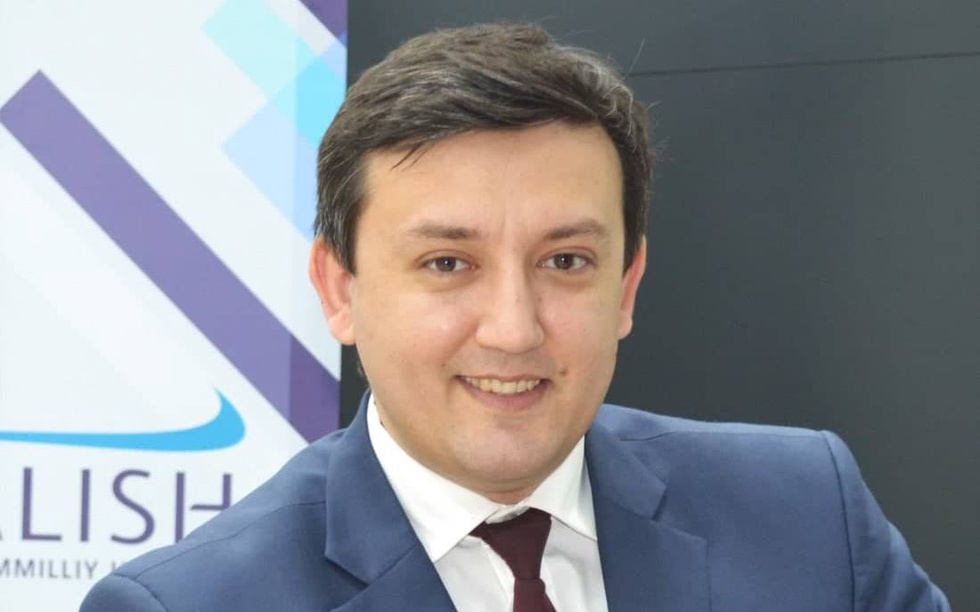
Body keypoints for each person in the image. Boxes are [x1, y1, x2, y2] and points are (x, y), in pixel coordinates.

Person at [80, 22, 949, 612]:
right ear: (340, 290)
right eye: (447, 264)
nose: (513, 329)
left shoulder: (810, 515)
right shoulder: (188, 603)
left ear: (626, 286)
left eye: (564, 261)